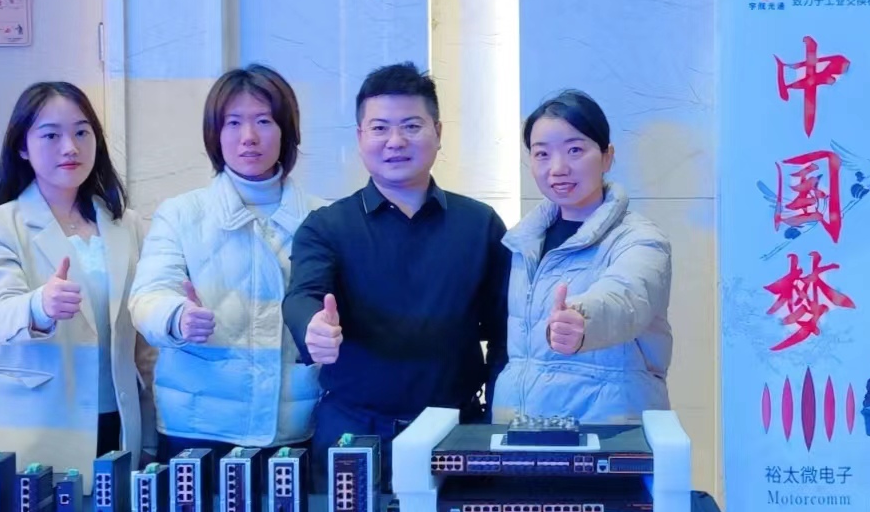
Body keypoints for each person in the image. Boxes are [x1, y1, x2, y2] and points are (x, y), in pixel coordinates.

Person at [282, 62, 510, 462]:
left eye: (411, 126)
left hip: (457, 433)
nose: (395, 141)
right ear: (360, 137)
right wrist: (312, 327)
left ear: (438, 132)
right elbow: (303, 295)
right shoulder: (327, 226)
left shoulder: (480, 225)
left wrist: (495, 413)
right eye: (380, 128)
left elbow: (504, 332)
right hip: (352, 434)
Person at [130, 66, 324, 461]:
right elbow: (148, 296)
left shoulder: (321, 218)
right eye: (233, 122)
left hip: (292, 423)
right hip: (196, 425)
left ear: (286, 131)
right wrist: (177, 317)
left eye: (264, 121)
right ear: (215, 134)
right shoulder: (182, 214)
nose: (248, 136)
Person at [0, 81, 147, 481]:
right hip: (32, 423)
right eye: (51, 135)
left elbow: (140, 331)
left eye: (82, 132)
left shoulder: (126, 225)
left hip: (116, 417)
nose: (70, 148)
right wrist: (40, 305)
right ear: (22, 147)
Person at [493, 90, 671, 423]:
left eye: (575, 150)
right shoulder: (523, 242)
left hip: (608, 432)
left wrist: (582, 319)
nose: (558, 168)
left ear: (607, 157)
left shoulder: (640, 240)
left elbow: (625, 297)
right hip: (526, 431)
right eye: (542, 154)